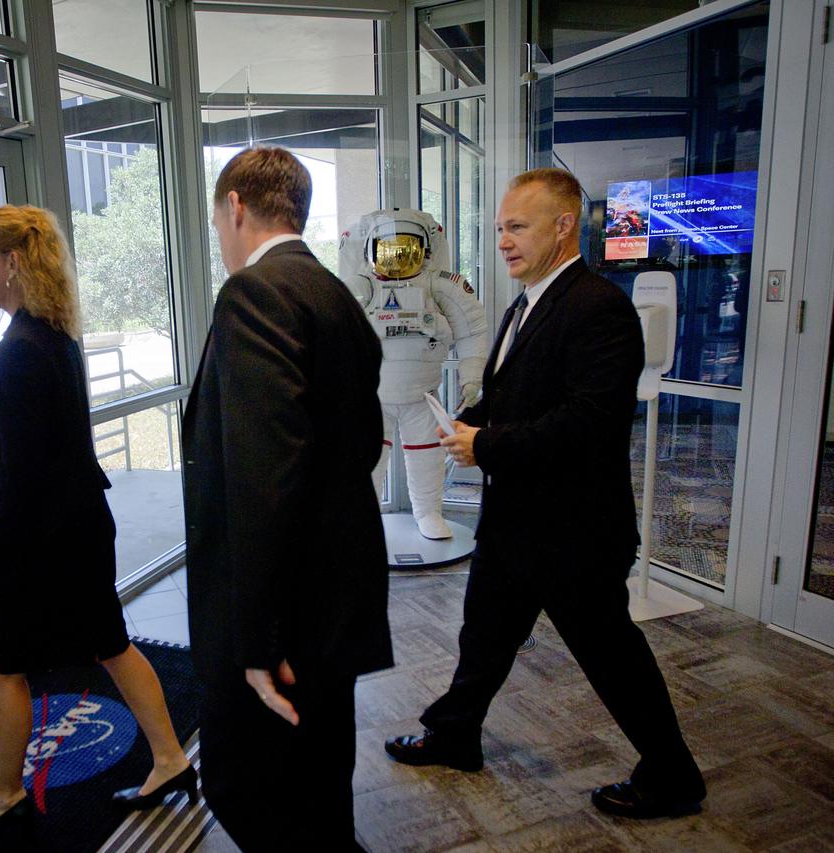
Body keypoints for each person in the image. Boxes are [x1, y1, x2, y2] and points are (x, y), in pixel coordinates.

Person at [384, 168, 706, 819]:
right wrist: (475, 424)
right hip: (518, 523)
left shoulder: (600, 308)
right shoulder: (527, 300)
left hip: (574, 532)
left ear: (564, 227)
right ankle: (454, 735)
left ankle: (673, 775)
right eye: (501, 227)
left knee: (611, 654)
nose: (503, 240)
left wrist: (487, 447)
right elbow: (522, 395)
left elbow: (592, 422)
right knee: (485, 633)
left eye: (518, 226)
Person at [0, 205, 193, 840]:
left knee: (2, 664)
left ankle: (5, 797)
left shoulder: (25, 351)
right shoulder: (50, 336)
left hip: (45, 541)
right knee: (109, 643)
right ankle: (170, 760)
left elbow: (27, 481)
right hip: (78, 527)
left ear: (12, 263)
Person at [183, 147, 393, 851]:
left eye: (218, 221)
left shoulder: (254, 293)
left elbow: (263, 476)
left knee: (246, 790)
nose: (221, 237)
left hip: (285, 620)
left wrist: (257, 643)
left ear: (236, 208)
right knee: (319, 785)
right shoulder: (333, 293)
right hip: (333, 603)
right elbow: (363, 441)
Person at [338, 208, 487, 538]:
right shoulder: (360, 287)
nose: (398, 258)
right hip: (372, 396)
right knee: (368, 459)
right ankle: (365, 518)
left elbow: (471, 327)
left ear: (426, 250)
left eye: (407, 250)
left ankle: (428, 512)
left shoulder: (440, 286)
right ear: (370, 249)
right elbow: (332, 329)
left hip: (422, 395)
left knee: (427, 456)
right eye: (389, 250)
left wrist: (472, 375)